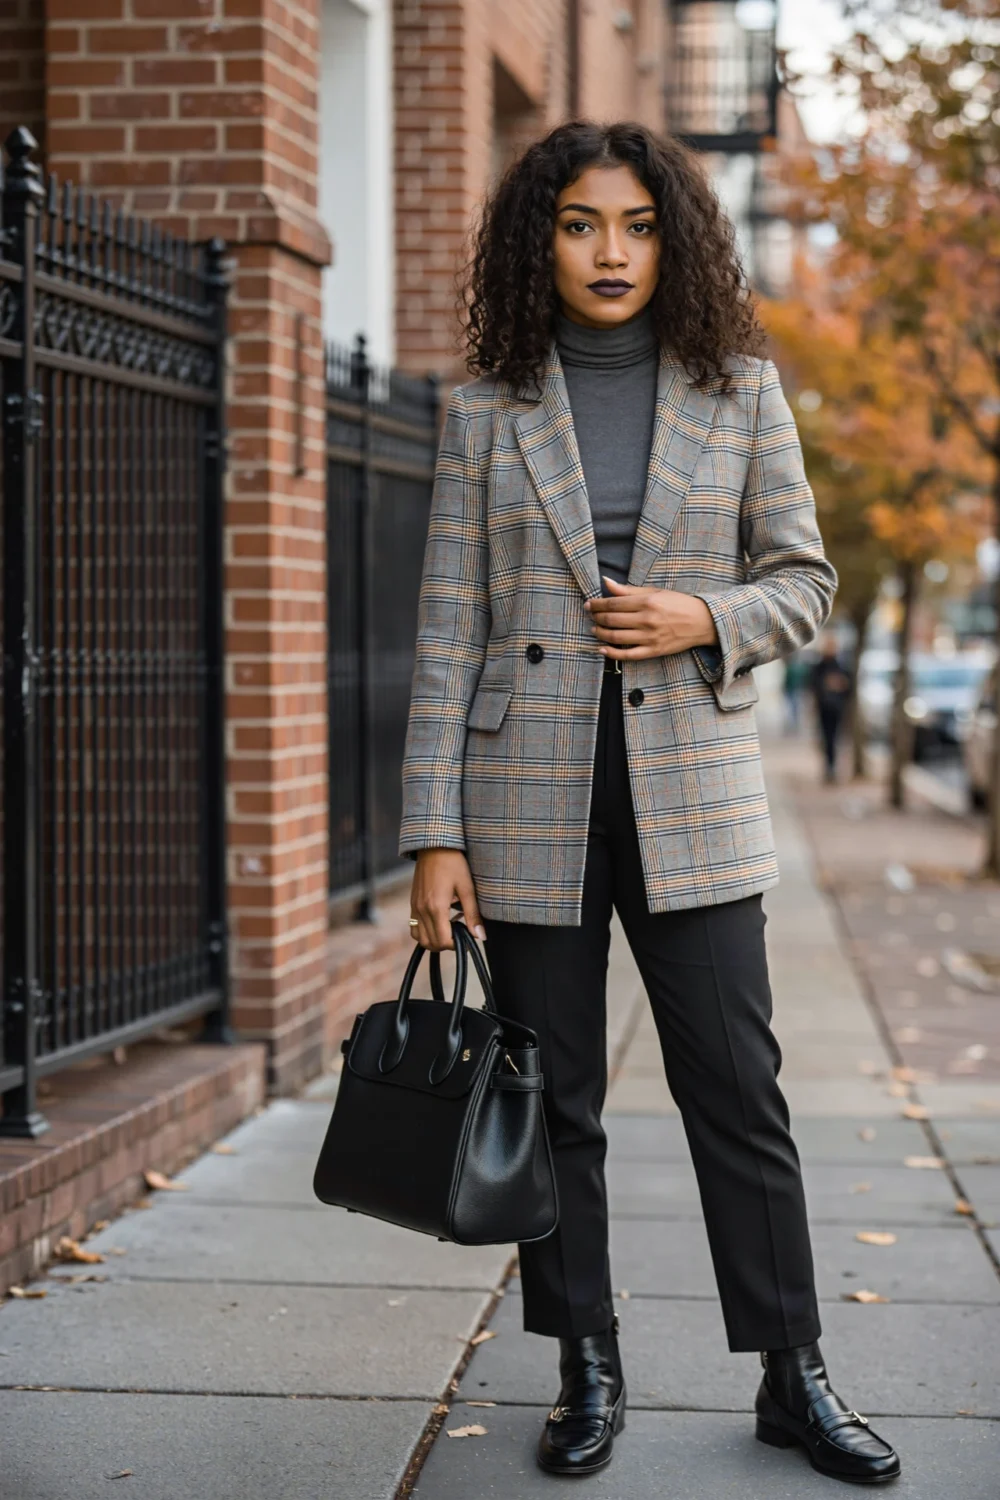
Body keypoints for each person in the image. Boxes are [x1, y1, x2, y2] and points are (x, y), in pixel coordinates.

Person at [400, 122, 900, 1485]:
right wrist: (432, 833)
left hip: (697, 791)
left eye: (634, 224)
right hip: (526, 799)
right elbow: (450, 631)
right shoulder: (487, 407)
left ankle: (794, 1376)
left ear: (673, 237)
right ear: (538, 240)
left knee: (738, 1089)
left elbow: (805, 581)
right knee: (555, 1096)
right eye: (577, 223)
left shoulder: (739, 390)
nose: (609, 251)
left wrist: (701, 614)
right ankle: (585, 1365)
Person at [811, 634, 852, 783]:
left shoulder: (841, 665)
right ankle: (828, 766)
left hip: (836, 707)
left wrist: (840, 685)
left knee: (835, 738)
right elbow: (814, 685)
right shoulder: (820, 666)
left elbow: (848, 686)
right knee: (826, 737)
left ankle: (832, 766)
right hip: (824, 707)